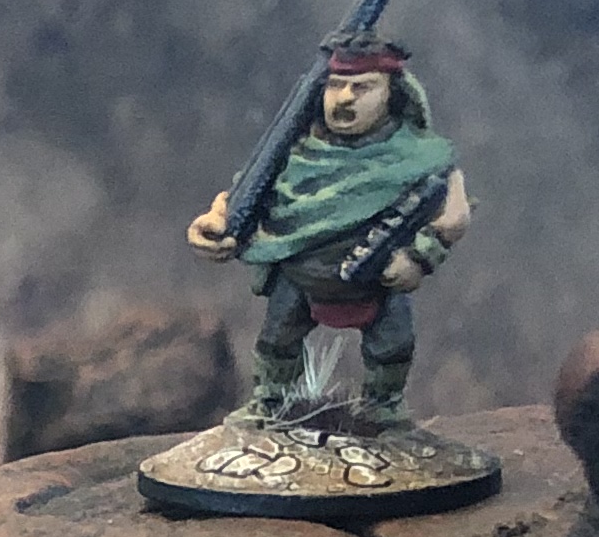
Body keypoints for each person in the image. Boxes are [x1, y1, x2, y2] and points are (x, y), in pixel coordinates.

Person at [183, 31, 469, 432]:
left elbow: (454, 216)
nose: (345, 98)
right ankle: (270, 400)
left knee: (391, 345)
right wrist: (215, 223)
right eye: (336, 85)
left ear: (392, 93)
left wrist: (417, 258)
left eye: (362, 87)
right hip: (300, 276)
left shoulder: (424, 159)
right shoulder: (294, 153)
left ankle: (384, 406)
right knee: (278, 340)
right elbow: (244, 194)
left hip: (377, 279)